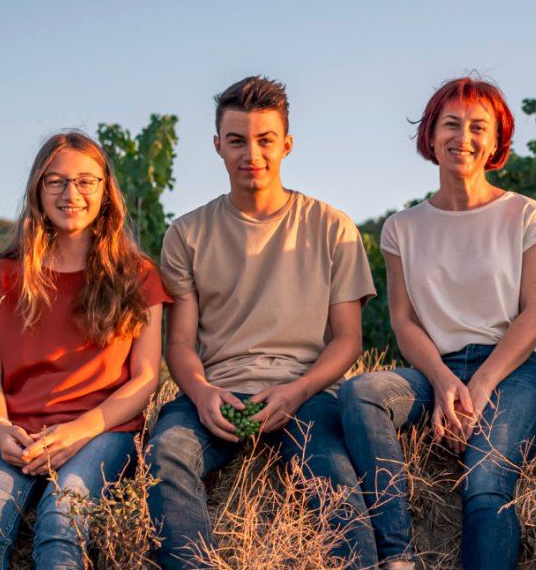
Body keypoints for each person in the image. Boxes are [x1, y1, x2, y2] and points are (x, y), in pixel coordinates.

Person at [145, 76, 379, 568]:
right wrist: (204, 393)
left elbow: (348, 340)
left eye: (265, 140)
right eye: (237, 140)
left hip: (306, 396)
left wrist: (297, 391)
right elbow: (180, 343)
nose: (252, 153)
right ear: (217, 146)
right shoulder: (186, 233)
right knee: (166, 452)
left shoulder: (332, 227)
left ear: (287, 145)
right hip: (218, 394)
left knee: (336, 482)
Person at [339, 77, 536, 570]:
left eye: (479, 126)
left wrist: (479, 386)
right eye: (451, 124)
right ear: (431, 136)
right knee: (361, 394)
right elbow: (404, 321)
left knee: (484, 479)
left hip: (517, 368)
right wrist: (442, 382)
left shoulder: (525, 214)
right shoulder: (402, 228)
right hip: (438, 369)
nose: (464, 136)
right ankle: (398, 556)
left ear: (497, 140)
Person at [0, 132, 171, 569]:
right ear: (38, 190)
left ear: (106, 190)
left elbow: (147, 377)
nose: (71, 194)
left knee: (60, 525)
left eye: (86, 181)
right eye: (56, 181)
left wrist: (79, 430)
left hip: (103, 433)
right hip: (14, 433)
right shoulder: (6, 274)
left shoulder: (137, 274)